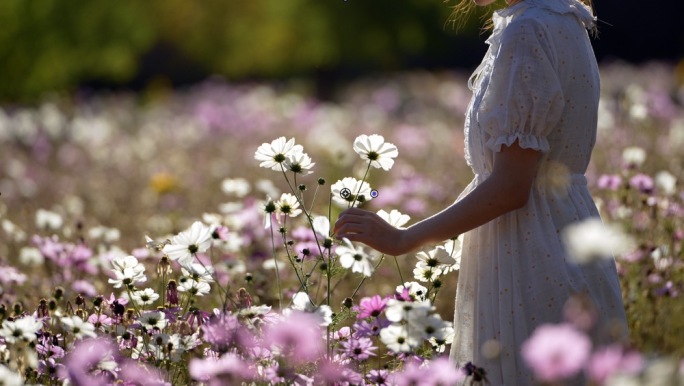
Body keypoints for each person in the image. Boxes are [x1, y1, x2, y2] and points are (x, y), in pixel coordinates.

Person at [333, 0, 628, 383]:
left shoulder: (528, 31)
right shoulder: (565, 21)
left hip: (527, 252)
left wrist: (405, 238)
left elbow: (510, 187)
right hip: (569, 232)